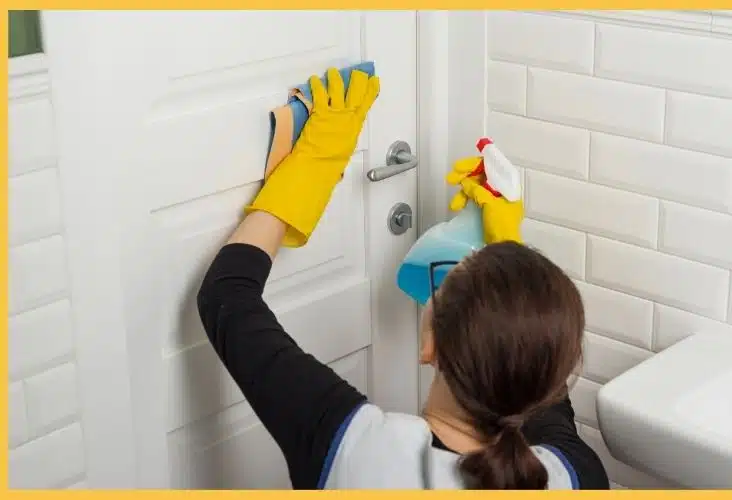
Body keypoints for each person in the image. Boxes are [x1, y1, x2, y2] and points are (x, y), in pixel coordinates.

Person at [197, 67, 609, 490]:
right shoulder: (574, 474)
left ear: (431, 347)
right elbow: (544, 387)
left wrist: (313, 165)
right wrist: (506, 260)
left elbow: (227, 296)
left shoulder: (353, 449)